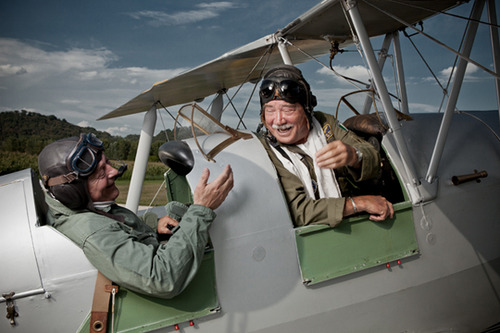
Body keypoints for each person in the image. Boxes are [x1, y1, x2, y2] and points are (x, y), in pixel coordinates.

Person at [38, 133, 233, 299]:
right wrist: (201, 210)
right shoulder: (92, 231)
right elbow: (162, 278)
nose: (113, 171)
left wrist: (151, 227)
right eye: (101, 172)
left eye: (108, 163)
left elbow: (118, 229)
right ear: (72, 192)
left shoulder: (84, 209)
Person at [258, 65, 393, 228]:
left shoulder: (324, 124)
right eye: (270, 111)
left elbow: (371, 155)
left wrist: (354, 156)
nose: (279, 120)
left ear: (306, 109)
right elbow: (298, 212)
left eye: (288, 110)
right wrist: (358, 203)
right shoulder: (266, 151)